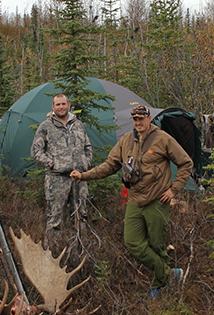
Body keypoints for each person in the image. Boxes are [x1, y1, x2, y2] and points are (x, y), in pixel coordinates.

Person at [70, 104, 192, 296]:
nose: (138, 122)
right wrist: (84, 176)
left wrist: (174, 190)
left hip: (157, 200)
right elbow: (110, 165)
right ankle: (170, 274)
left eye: (141, 118)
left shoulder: (163, 139)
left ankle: (158, 287)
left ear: (149, 118)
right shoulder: (127, 140)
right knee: (132, 243)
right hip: (135, 200)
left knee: (157, 245)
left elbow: (186, 163)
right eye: (135, 119)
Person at [31, 94, 93, 246]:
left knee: (80, 217)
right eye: (58, 104)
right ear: (53, 107)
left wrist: (85, 163)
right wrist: (51, 162)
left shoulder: (77, 124)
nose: (61, 107)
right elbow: (35, 151)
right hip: (56, 180)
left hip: (78, 178)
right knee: (55, 219)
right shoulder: (46, 126)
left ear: (68, 105)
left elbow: (88, 147)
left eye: (63, 104)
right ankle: (53, 255)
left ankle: (79, 252)